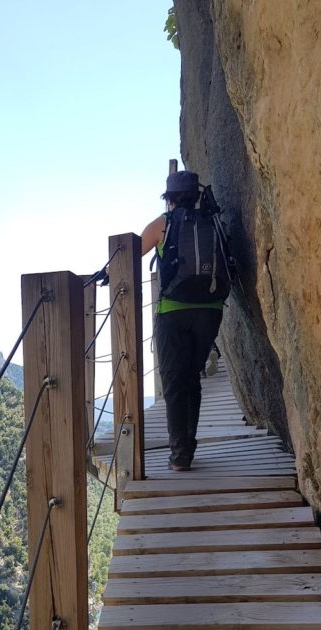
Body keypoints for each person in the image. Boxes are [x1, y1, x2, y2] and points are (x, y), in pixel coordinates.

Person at [140, 170, 225, 471]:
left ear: (169, 199)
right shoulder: (212, 220)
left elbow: (129, 253)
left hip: (173, 311)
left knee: (174, 384)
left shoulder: (162, 224)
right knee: (192, 376)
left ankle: (181, 456)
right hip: (211, 310)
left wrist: (108, 276)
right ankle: (188, 445)